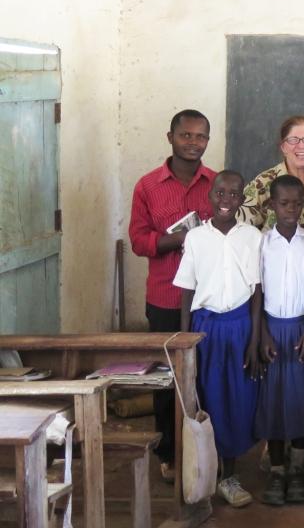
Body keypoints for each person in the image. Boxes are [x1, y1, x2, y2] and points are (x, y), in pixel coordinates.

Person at [128, 109, 217, 481]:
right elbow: (138, 240)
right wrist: (179, 239)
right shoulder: (148, 185)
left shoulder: (216, 182)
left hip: (208, 297)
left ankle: (208, 447)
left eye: (200, 137)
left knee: (207, 374)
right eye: (186, 135)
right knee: (167, 378)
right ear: (170, 137)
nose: (193, 143)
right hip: (165, 295)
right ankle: (169, 452)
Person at [173, 170, 263, 508]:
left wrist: (254, 338)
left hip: (240, 325)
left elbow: (256, 291)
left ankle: (231, 473)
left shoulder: (252, 236)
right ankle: (208, 474)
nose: (226, 200)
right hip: (205, 327)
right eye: (220, 193)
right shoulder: (195, 238)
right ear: (210, 196)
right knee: (208, 397)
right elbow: (187, 289)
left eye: (234, 194)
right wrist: (186, 339)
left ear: (242, 199)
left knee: (239, 398)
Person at [253, 175, 304, 506]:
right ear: (272, 205)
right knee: (273, 404)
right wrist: (261, 332)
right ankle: (276, 470)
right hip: (273, 332)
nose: (292, 209)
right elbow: (257, 293)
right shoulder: (263, 243)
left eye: (297, 203)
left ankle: (297, 470)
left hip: (302, 329)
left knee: (301, 402)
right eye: (284, 203)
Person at [239, 115, 304, 231]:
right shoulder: (263, 183)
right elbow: (239, 228)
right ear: (283, 147)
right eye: (293, 140)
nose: (301, 145)